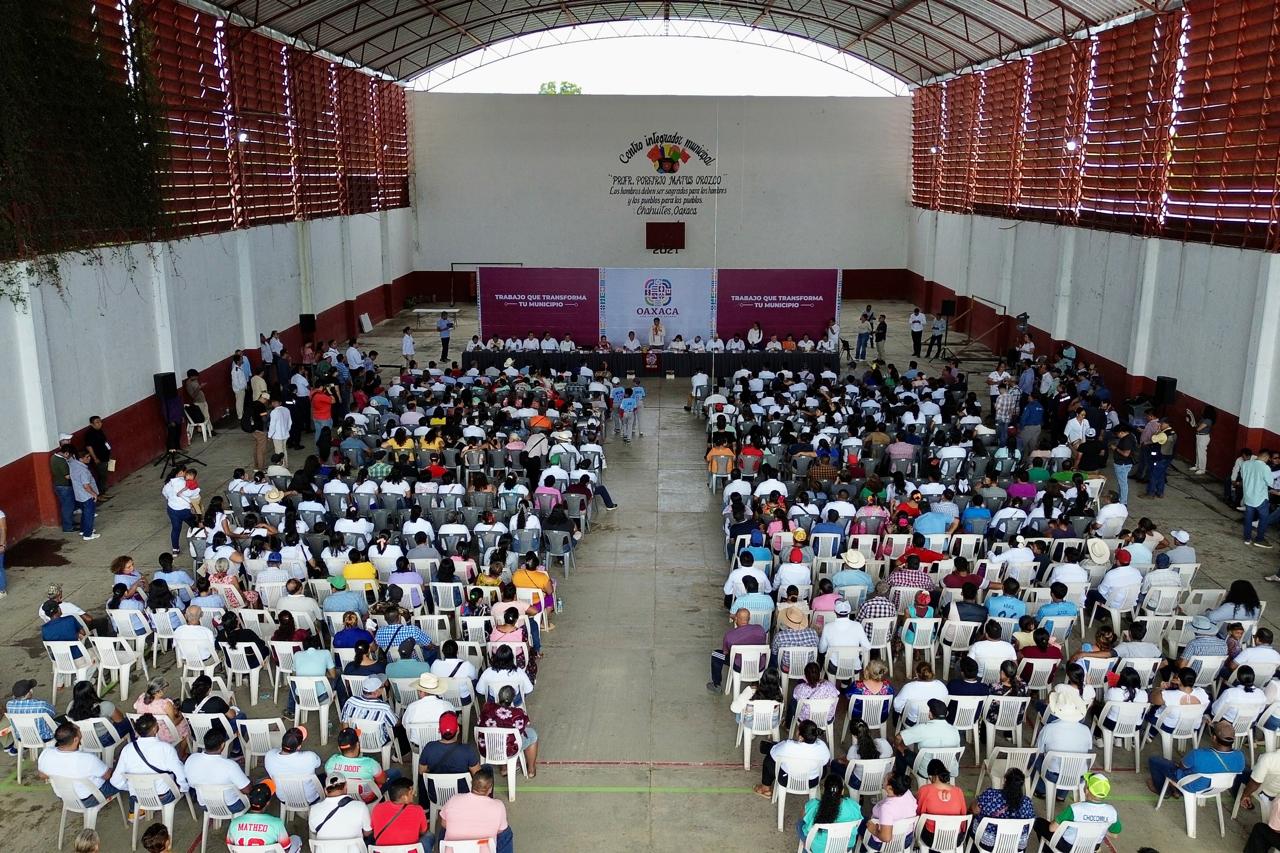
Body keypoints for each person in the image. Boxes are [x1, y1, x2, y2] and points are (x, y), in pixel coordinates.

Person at [1034, 770, 1121, 848]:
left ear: (1086, 791)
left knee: (1038, 822)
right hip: (1092, 847)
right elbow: (1114, 835)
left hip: (1068, 846)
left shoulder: (1075, 809)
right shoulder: (1112, 812)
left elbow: (1052, 828)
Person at [436, 766, 514, 853]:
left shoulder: (454, 799)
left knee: (445, 826)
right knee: (506, 832)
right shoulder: (498, 806)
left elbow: (444, 824)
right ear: (490, 789)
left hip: (454, 850)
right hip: (482, 849)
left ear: (471, 784)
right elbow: (500, 830)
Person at [795, 772, 863, 851]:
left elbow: (802, 817)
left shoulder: (813, 805)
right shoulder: (853, 806)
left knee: (800, 824)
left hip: (818, 849)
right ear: (842, 791)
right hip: (845, 847)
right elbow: (859, 821)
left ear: (824, 790)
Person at [971, 769, 1036, 851]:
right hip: (1017, 845)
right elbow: (1031, 823)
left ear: (1005, 780)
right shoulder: (1027, 802)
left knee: (970, 820)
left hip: (988, 843)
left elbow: (975, 810)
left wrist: (975, 801)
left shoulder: (990, 794)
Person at [227, 782, 300, 852]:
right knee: (296, 839)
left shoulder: (235, 822)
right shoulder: (277, 823)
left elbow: (230, 846)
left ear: (250, 800)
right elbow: (286, 849)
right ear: (267, 803)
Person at [309, 770, 372, 843]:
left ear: (325, 791)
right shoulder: (361, 807)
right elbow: (368, 833)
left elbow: (313, 830)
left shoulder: (314, 809)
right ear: (346, 787)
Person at [370, 776, 431, 849]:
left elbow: (372, 829)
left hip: (383, 850)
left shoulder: (377, 808)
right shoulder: (418, 810)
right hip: (409, 851)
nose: (414, 794)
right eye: (411, 792)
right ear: (404, 797)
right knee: (429, 836)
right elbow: (423, 831)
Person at [68, 447, 101, 540]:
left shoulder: (73, 464)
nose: (89, 458)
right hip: (86, 495)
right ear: (80, 459)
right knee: (89, 514)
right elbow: (86, 485)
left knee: (84, 513)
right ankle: (88, 534)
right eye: (87, 457)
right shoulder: (83, 471)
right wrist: (94, 494)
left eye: (89, 456)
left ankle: (83, 530)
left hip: (79, 495)